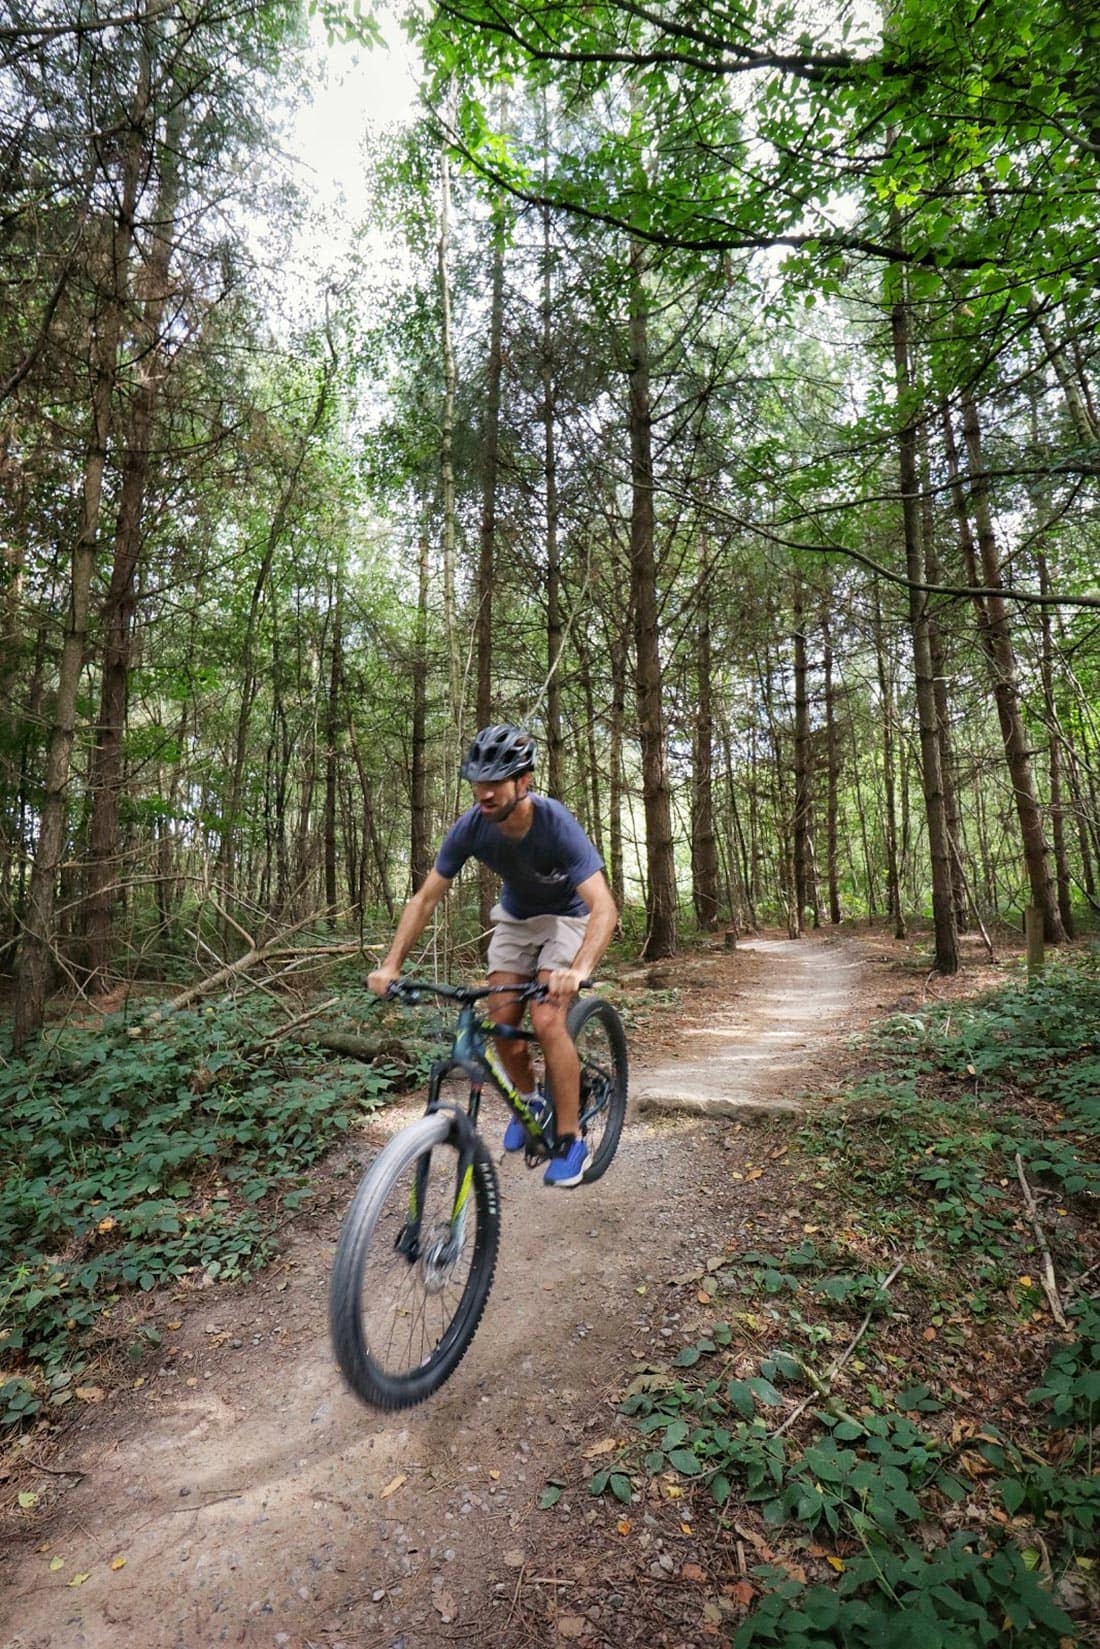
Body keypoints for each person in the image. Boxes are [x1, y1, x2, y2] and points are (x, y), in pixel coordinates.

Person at [367, 723, 619, 1187]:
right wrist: (391, 964)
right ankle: (532, 1102)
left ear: (523, 783)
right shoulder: (472, 828)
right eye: (477, 782)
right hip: (517, 919)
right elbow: (424, 900)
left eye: (494, 782)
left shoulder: (555, 822)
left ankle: (570, 1139)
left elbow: (604, 906)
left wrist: (578, 969)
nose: (483, 793)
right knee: (501, 1021)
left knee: (546, 1019)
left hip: (567, 917)